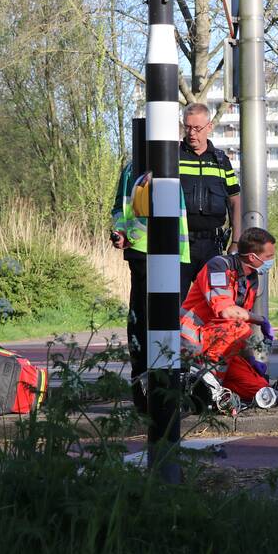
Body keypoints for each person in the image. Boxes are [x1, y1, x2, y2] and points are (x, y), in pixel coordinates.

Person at [110, 163, 190, 412]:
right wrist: (124, 233)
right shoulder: (137, 169)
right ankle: (148, 395)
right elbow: (123, 208)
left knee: (167, 325)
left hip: (174, 254)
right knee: (146, 324)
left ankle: (168, 392)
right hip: (146, 254)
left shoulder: (168, 163)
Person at [180, 227, 276, 402]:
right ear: (252, 257)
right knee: (240, 327)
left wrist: (253, 359)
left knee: (261, 391)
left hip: (219, 346)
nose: (272, 261)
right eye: (269, 257)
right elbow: (226, 312)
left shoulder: (251, 279)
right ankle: (207, 382)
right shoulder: (218, 266)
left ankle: (214, 388)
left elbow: (239, 321)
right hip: (194, 339)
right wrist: (261, 320)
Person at [180, 102, 243, 294]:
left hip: (212, 246)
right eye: (188, 127)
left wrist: (236, 241)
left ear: (209, 127)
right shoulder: (173, 157)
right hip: (180, 245)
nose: (191, 133)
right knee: (175, 305)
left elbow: (235, 201)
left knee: (214, 302)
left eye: (197, 128)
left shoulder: (221, 161)